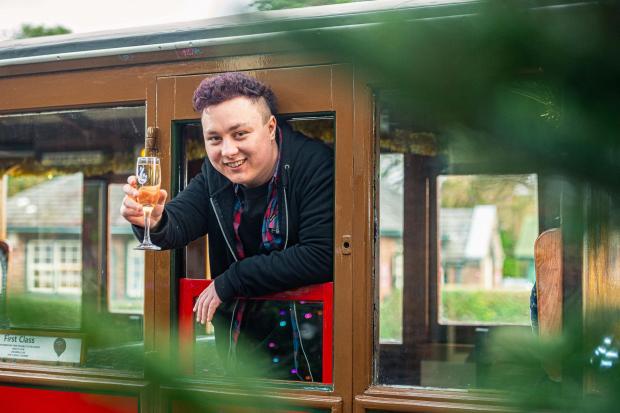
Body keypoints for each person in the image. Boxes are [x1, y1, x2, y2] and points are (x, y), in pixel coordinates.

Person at [121, 72, 334, 381]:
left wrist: (231, 279)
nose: (228, 151)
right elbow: (178, 222)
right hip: (239, 356)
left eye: (240, 134)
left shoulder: (313, 163)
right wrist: (152, 221)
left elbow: (321, 255)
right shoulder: (215, 172)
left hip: (313, 360)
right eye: (215, 139)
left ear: (270, 128)